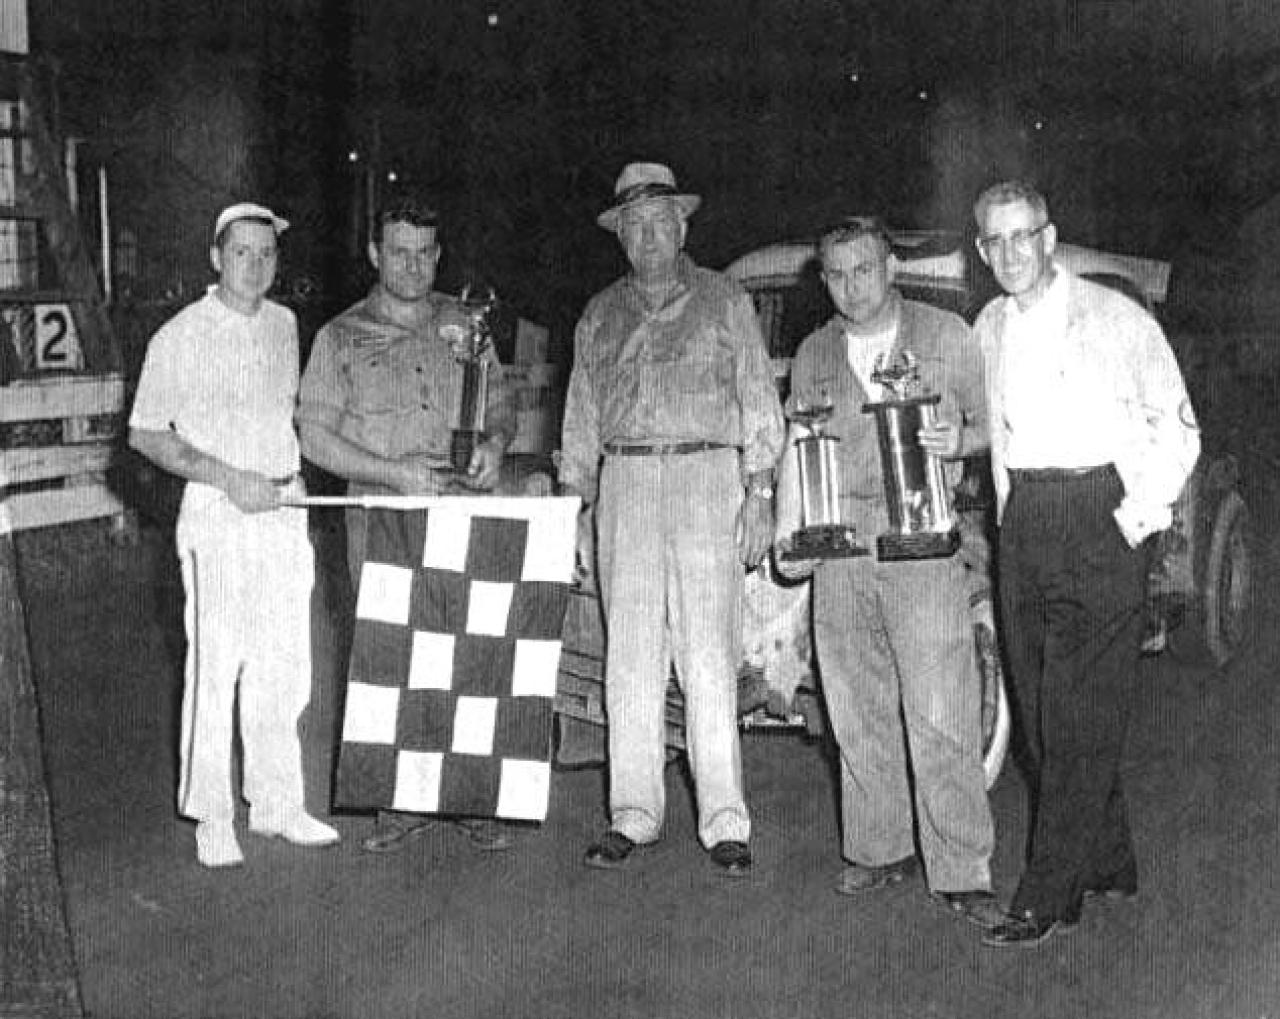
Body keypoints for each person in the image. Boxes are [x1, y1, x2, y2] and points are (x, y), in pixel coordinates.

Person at [969, 180, 1199, 947]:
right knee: (1040, 712)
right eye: (995, 240)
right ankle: (1108, 856)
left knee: (1078, 713)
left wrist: (1135, 518)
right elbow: (990, 431)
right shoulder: (988, 326)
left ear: (1048, 238)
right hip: (1026, 520)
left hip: (1101, 512)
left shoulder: (1116, 318)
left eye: (1022, 236)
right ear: (982, 251)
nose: (1011, 253)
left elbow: (1178, 426)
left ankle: (1047, 892)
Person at [774, 218, 1005, 927]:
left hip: (923, 543)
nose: (852, 286)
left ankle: (962, 866)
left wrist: (959, 440)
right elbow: (798, 447)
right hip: (840, 546)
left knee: (941, 710)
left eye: (865, 269)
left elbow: (997, 425)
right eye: (837, 274)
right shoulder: (813, 352)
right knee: (855, 708)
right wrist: (787, 536)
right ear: (824, 278)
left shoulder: (947, 335)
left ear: (892, 267)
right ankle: (881, 847)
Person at [558, 161, 785, 876]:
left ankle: (724, 820)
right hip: (623, 478)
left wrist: (760, 492)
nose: (650, 236)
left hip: (706, 477)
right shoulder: (599, 313)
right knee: (629, 652)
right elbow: (580, 416)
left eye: (661, 222)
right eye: (636, 226)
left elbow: (758, 398)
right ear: (620, 236)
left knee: (708, 652)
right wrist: (576, 507)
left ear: (682, 227)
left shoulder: (724, 299)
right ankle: (632, 811)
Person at [297, 195, 517, 855]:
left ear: (439, 255)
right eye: (399, 252)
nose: (413, 266)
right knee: (390, 654)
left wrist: (496, 444)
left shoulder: (468, 323)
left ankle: (470, 796)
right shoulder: (339, 336)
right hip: (382, 513)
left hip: (462, 504)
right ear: (375, 254)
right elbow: (314, 437)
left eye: (425, 253)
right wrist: (392, 472)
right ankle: (398, 801)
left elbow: (500, 403)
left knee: (469, 650)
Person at [128, 203, 340, 869]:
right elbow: (145, 433)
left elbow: (284, 419)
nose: (255, 264)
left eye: (266, 253)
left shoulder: (285, 324)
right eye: (241, 252)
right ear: (216, 257)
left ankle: (277, 803)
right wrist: (229, 477)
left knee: (286, 665)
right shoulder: (179, 334)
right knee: (217, 668)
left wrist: (283, 482)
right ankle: (212, 816)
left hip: (283, 507)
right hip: (218, 513)